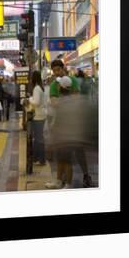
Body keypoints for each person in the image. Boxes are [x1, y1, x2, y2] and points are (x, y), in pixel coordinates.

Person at [46, 59, 97, 189]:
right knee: (63, 155)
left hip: (75, 123)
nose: (57, 72)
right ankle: (62, 179)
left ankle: (86, 176)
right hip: (60, 123)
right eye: (54, 70)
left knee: (79, 152)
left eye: (59, 69)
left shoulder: (72, 80)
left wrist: (62, 99)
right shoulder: (53, 85)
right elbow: (54, 102)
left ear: (63, 68)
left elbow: (74, 100)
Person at [26, 71, 49, 165]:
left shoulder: (36, 88)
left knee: (39, 138)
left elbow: (36, 102)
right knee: (39, 138)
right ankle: (36, 158)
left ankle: (41, 159)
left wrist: (29, 98)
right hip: (42, 114)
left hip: (38, 116)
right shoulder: (41, 87)